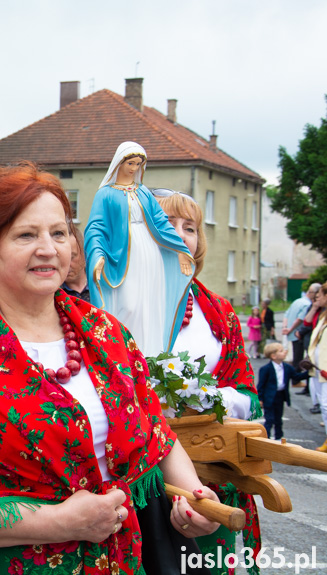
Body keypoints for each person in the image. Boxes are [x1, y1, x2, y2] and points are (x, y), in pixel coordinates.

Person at [0, 165, 218, 574]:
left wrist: (193, 497)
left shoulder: (104, 333)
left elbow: (155, 427)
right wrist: (60, 523)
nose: (48, 248)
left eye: (60, 233)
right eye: (26, 235)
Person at [154, 188, 263, 575]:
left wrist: (210, 396)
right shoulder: (109, 302)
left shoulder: (218, 310)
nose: (182, 235)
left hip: (207, 469)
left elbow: (250, 395)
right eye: (168, 224)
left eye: (191, 228)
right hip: (137, 475)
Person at [84, 142, 194, 357]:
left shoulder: (143, 192)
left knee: (150, 303)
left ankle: (150, 357)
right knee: (129, 304)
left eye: (138, 164)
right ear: (119, 163)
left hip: (150, 253)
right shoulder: (105, 194)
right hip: (123, 256)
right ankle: (126, 356)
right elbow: (96, 227)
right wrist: (97, 255)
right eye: (130, 163)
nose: (134, 168)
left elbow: (161, 223)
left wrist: (180, 250)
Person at [258, 343, 308, 440]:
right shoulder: (265, 369)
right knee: (269, 419)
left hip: (280, 396)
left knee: (278, 419)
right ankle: (265, 438)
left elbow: (296, 377)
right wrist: (260, 399)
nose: (285, 352)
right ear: (273, 356)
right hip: (269, 398)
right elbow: (261, 385)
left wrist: (309, 373)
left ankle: (278, 438)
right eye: (281, 351)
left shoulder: (287, 367)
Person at [283, 283, 320, 395]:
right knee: (304, 361)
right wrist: (293, 330)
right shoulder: (308, 304)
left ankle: (303, 384)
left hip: (299, 335)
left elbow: (288, 314)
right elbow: (304, 320)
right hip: (301, 336)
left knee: (300, 359)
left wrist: (287, 328)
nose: (309, 294)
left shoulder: (298, 301)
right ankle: (303, 384)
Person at [305, 285, 327, 452]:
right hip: (318, 368)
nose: (316, 298)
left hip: (324, 369)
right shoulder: (322, 315)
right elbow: (306, 322)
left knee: (326, 405)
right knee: (323, 404)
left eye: (319, 295)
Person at [62, 222, 90, 302]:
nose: (66, 265)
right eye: (61, 258)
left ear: (84, 254)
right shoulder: (53, 295)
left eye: (71, 257)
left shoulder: (100, 288)